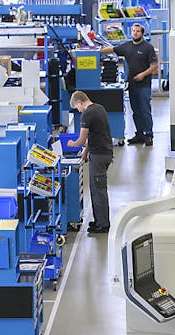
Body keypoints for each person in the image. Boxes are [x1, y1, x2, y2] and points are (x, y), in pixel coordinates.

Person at [100, 24, 158, 146]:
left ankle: (149, 135)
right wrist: (96, 52)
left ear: (142, 33)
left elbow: (154, 66)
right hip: (132, 84)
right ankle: (139, 134)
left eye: (138, 31)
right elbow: (113, 49)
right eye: (133, 31)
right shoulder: (127, 46)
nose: (135, 33)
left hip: (144, 85)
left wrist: (143, 74)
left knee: (145, 110)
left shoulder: (148, 48)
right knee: (135, 110)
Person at [67, 91, 112, 234]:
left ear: (80, 102)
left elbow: (81, 139)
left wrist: (71, 144)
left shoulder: (87, 114)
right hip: (102, 152)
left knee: (99, 191)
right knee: (95, 188)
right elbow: (93, 136)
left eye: (77, 107)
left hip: (99, 155)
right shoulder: (99, 108)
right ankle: (98, 220)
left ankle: (103, 224)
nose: (78, 110)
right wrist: (85, 153)